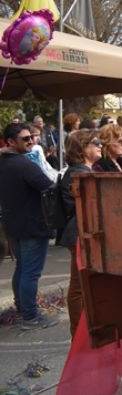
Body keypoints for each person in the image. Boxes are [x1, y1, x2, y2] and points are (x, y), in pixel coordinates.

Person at [0, 123, 58, 330]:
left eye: (31, 137)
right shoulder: (23, 165)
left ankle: (23, 310)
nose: (31, 141)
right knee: (30, 272)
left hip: (14, 225)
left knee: (23, 269)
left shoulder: (6, 163)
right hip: (32, 225)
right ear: (11, 142)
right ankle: (30, 316)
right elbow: (48, 186)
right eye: (26, 139)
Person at [59, 129, 102, 336]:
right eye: (95, 142)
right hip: (78, 233)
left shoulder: (81, 171)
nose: (100, 145)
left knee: (80, 283)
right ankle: (78, 330)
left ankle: (81, 328)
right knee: (78, 285)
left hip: (79, 232)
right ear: (83, 148)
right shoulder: (79, 173)